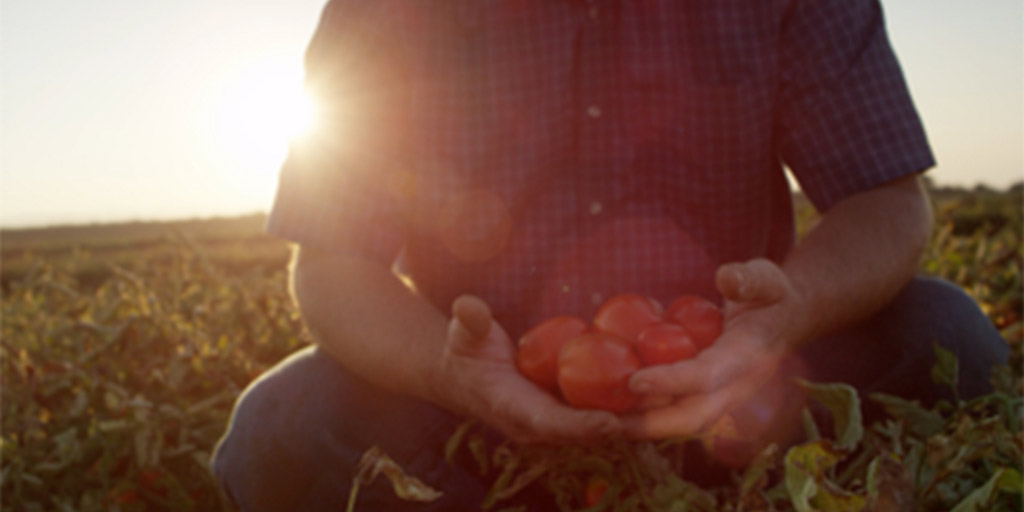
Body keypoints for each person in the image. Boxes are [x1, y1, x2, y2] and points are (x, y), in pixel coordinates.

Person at [211, 1, 1009, 510]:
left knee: (945, 337)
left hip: (749, 388)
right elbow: (332, 261)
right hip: (480, 405)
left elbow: (886, 200)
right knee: (285, 424)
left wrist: (781, 318)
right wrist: (444, 369)